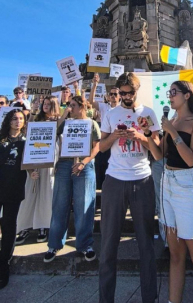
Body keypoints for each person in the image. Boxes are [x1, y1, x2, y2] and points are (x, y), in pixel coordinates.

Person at [138, 81, 193, 303]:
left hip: (188, 187)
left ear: (186, 96)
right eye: (168, 93)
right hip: (168, 186)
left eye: (174, 92)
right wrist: (150, 136)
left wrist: (171, 131)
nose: (169, 96)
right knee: (175, 255)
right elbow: (159, 155)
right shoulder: (171, 121)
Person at [97, 72, 160, 303]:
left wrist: (141, 137)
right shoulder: (110, 114)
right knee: (108, 245)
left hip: (142, 181)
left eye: (129, 93)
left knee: (146, 244)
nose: (125, 97)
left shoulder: (148, 113)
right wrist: (115, 136)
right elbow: (102, 147)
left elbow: (157, 149)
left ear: (137, 91)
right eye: (121, 93)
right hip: (114, 181)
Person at [44, 96, 100, 263]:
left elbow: (97, 146)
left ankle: (85, 245)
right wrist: (65, 114)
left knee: (84, 206)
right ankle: (54, 244)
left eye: (73, 106)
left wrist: (84, 162)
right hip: (64, 164)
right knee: (60, 205)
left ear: (82, 106)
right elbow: (54, 133)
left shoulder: (91, 123)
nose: (70, 108)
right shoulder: (66, 122)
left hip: (84, 165)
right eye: (69, 105)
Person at [15, 96, 61, 245]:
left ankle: (43, 225)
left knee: (47, 192)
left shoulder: (57, 121)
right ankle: (24, 226)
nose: (45, 106)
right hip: (34, 155)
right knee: (29, 192)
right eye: (44, 104)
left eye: (49, 104)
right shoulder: (35, 120)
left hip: (50, 158)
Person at [0, 109, 32, 288]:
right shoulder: (0, 138)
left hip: (14, 188)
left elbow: (31, 162)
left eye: (20, 119)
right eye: (14, 118)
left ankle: (4, 262)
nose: (17, 121)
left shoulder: (27, 142)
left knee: (9, 225)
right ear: (8, 121)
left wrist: (33, 171)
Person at [89, 73, 121, 189]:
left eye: (115, 94)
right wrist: (94, 85)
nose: (113, 96)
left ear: (119, 96)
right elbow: (91, 101)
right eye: (111, 94)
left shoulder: (122, 108)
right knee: (100, 166)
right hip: (104, 139)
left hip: (117, 142)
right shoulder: (104, 107)